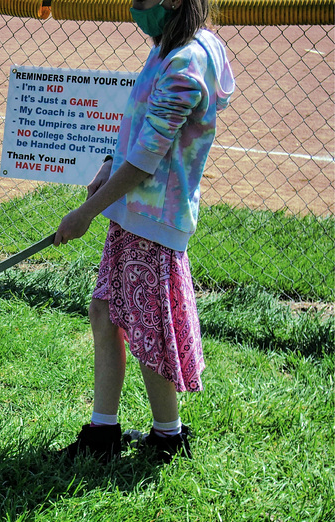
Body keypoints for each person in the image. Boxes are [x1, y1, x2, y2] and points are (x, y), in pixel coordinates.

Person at [53, 0, 235, 463]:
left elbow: (150, 155)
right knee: (106, 312)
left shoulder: (186, 61)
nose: (134, 4)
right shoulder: (168, 48)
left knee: (148, 330)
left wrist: (86, 212)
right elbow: (140, 134)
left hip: (153, 221)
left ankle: (167, 437)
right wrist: (109, 164)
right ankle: (103, 431)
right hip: (134, 213)